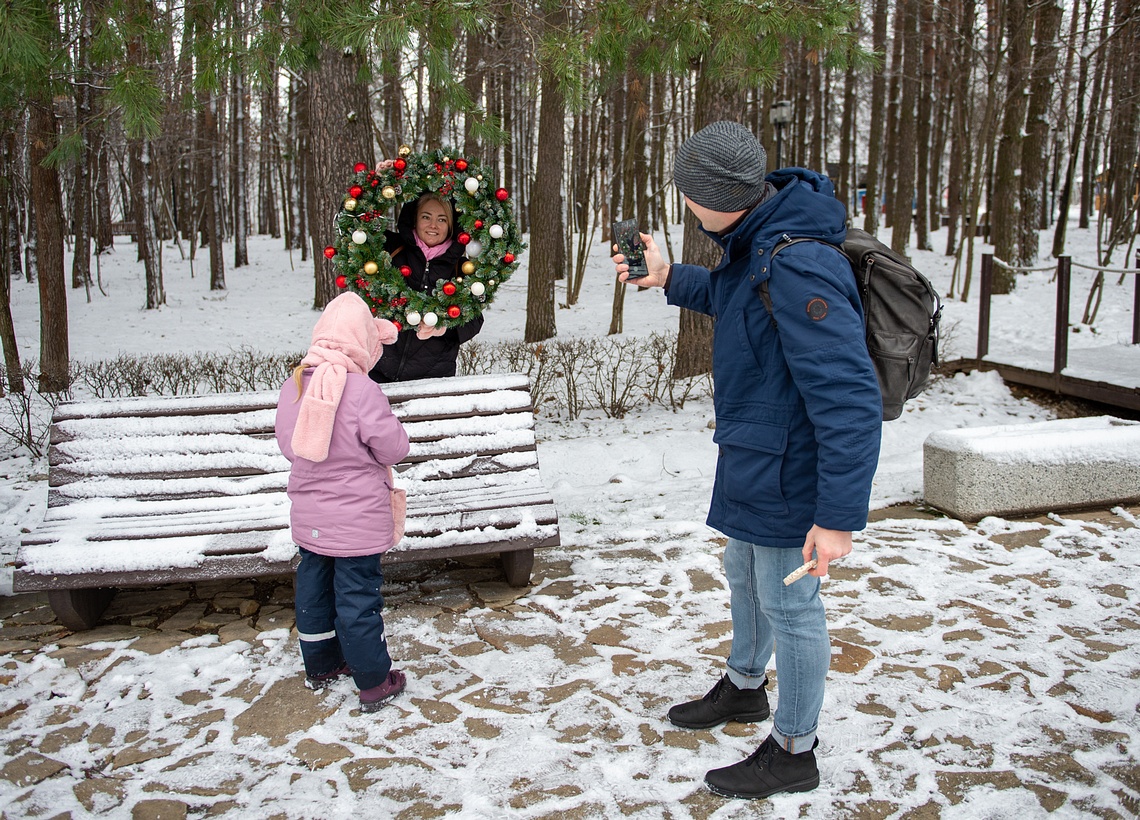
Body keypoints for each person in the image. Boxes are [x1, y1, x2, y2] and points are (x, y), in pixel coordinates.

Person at [611, 121, 882, 800]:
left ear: (711, 195)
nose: (682, 202)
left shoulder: (797, 260)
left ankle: (794, 751)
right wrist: (670, 276)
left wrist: (839, 517)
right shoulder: (759, 234)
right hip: (756, 450)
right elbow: (739, 301)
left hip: (790, 462)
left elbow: (850, 396)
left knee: (790, 602)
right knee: (743, 569)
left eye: (686, 191)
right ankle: (743, 687)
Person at [275, 292, 412, 712]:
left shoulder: (295, 382)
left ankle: (321, 665)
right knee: (357, 597)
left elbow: (288, 445)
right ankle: (373, 680)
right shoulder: (361, 389)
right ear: (362, 341)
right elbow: (393, 448)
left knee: (314, 590)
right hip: (356, 519)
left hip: (310, 515)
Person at [369, 191, 484, 382]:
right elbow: (354, 224)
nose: (433, 225)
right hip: (376, 369)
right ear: (414, 219)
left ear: (451, 226)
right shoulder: (391, 250)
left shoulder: (461, 269)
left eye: (442, 219)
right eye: (426, 217)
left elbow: (475, 319)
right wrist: (380, 182)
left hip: (432, 378)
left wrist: (444, 326)